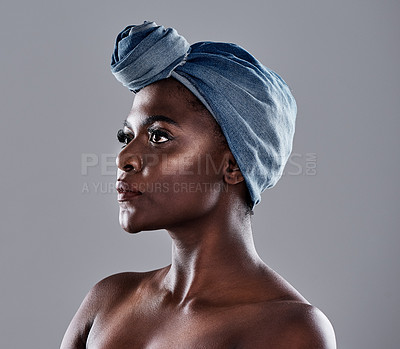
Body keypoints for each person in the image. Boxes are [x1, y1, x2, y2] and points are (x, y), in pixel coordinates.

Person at [61, 22, 336, 348]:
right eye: (126, 137)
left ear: (232, 164)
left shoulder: (290, 329)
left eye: (159, 136)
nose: (124, 158)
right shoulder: (106, 302)